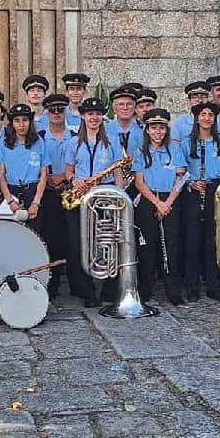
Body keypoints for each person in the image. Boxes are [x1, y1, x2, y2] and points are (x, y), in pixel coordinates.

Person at [64, 96, 124, 309]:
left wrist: (119, 195)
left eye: (98, 114)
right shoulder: (73, 142)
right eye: (90, 114)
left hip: (105, 196)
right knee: (80, 244)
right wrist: (74, 180)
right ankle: (87, 291)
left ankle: (109, 288)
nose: (94, 117)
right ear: (82, 116)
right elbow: (68, 170)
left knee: (107, 242)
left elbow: (117, 169)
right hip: (81, 197)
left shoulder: (113, 141)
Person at [133, 107, 187, 306]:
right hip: (148, 199)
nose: (158, 132)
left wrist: (167, 204)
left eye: (161, 128)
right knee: (147, 245)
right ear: (147, 130)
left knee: (171, 245)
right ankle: (145, 289)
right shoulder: (141, 151)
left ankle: (173, 290)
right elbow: (139, 181)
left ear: (166, 130)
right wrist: (157, 203)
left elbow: (180, 178)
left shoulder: (175, 149)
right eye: (154, 128)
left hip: (170, 199)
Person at [181, 98, 220, 301]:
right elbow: (180, 170)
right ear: (196, 118)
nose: (207, 118)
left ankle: (213, 286)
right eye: (203, 114)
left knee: (214, 240)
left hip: (215, 190)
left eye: (210, 115)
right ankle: (191, 287)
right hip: (194, 191)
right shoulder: (187, 142)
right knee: (192, 240)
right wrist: (191, 183)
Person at [37, 93, 75, 297]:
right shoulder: (40, 136)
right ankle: (52, 282)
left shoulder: (76, 136)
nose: (57, 114)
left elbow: (81, 162)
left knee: (71, 237)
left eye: (61, 109)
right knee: (49, 237)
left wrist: (64, 177)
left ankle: (75, 283)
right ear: (47, 112)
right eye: (53, 110)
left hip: (71, 191)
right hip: (49, 193)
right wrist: (51, 177)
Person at [0, 104, 48, 237]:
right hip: (11, 192)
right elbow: (1, 176)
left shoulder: (39, 142)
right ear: (12, 123)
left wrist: (36, 202)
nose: (21, 124)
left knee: (34, 234)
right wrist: (10, 202)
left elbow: (43, 174)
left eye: (25, 120)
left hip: (33, 191)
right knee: (10, 235)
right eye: (17, 121)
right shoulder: (4, 143)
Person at [106, 86, 144, 161]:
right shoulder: (104, 130)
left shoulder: (141, 132)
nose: (125, 108)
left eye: (129, 104)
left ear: (134, 108)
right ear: (114, 108)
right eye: (121, 104)